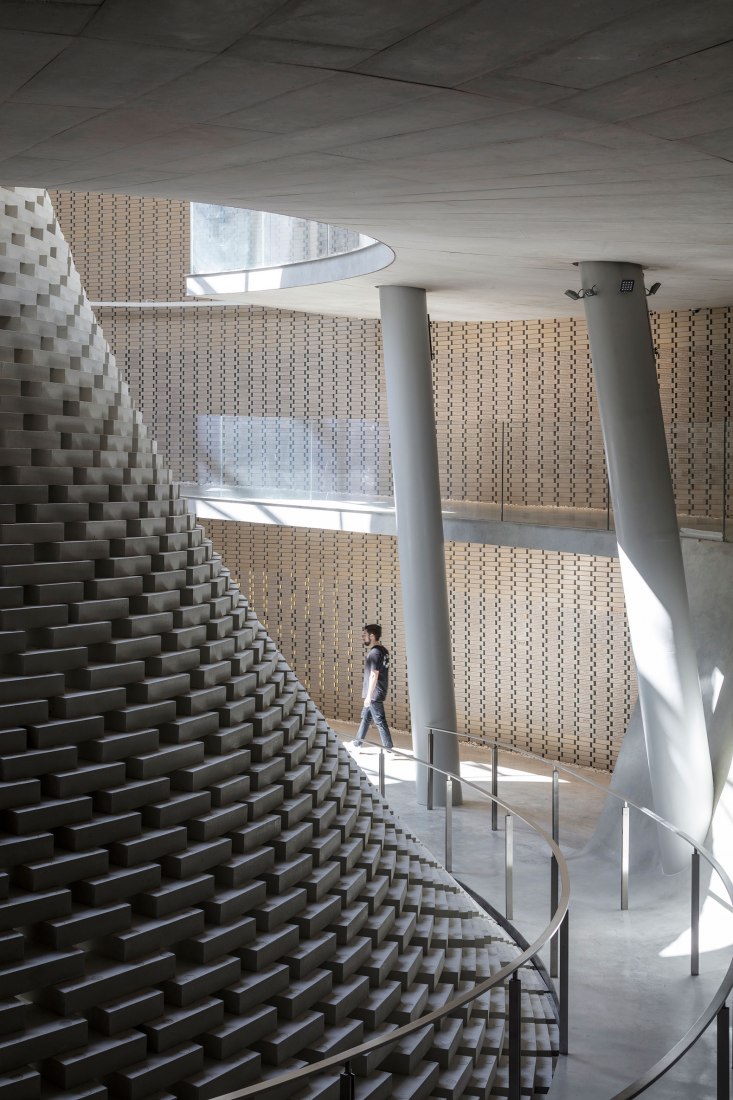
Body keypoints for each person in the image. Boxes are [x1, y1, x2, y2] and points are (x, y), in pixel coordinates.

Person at [352, 623, 394, 752]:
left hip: (374, 692)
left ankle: (388, 748)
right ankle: (357, 743)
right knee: (366, 717)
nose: (363, 637)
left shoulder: (374, 653)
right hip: (379, 690)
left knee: (380, 720)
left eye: (365, 635)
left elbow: (374, 675)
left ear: (372, 636)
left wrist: (369, 696)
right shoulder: (383, 651)